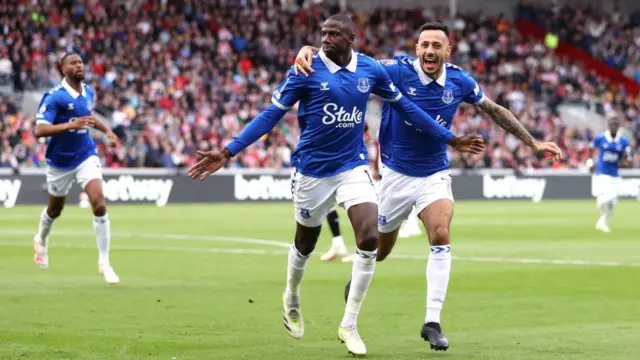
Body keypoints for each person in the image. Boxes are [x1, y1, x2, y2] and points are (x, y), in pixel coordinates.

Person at [188, 14, 484, 356]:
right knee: (306, 241)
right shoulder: (306, 70)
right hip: (312, 170)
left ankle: (349, 324)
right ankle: (292, 293)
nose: (325, 39)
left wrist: (452, 139)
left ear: (351, 38)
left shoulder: (370, 70)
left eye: (334, 34)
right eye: (322, 34)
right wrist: (227, 152)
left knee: (370, 236)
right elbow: (270, 115)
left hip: (352, 166)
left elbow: (407, 108)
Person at [293, 21, 562, 351]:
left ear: (448, 51)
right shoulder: (396, 70)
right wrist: (310, 52)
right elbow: (349, 59)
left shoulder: (460, 80)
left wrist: (533, 142)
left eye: (437, 45)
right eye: (424, 45)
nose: (430, 50)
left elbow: (493, 109)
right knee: (379, 249)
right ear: (416, 48)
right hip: (395, 176)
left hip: (434, 173)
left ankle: (432, 322)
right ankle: (360, 276)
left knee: (440, 232)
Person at [33, 53, 120, 285]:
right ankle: (41, 239)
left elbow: (87, 116)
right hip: (59, 163)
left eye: (81, 62)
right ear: (63, 69)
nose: (79, 65)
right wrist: (69, 125)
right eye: (73, 63)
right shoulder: (54, 98)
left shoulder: (88, 91)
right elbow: (39, 130)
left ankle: (105, 262)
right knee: (55, 210)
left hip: (85, 155)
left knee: (99, 202)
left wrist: (106, 130)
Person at [587, 112, 632, 233]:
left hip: (615, 173)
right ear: (608, 123)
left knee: (613, 203)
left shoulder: (623, 141)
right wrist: (590, 162)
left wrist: (626, 161)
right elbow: (590, 148)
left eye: (616, 121)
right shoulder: (601, 138)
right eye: (611, 121)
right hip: (602, 172)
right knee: (611, 195)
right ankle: (601, 200)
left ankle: (602, 221)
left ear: (619, 124)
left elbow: (626, 156)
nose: (613, 124)